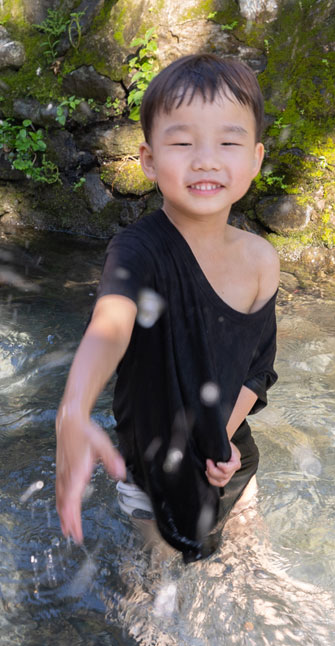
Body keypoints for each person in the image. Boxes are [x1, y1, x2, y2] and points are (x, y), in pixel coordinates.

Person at [55, 53, 279, 562]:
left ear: (256, 159)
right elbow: (109, 327)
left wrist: (219, 442)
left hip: (231, 464)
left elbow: (258, 371)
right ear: (150, 160)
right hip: (155, 476)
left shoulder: (261, 260)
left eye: (228, 142)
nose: (205, 159)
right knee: (157, 605)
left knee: (255, 572)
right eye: (182, 143)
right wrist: (73, 407)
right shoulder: (138, 252)